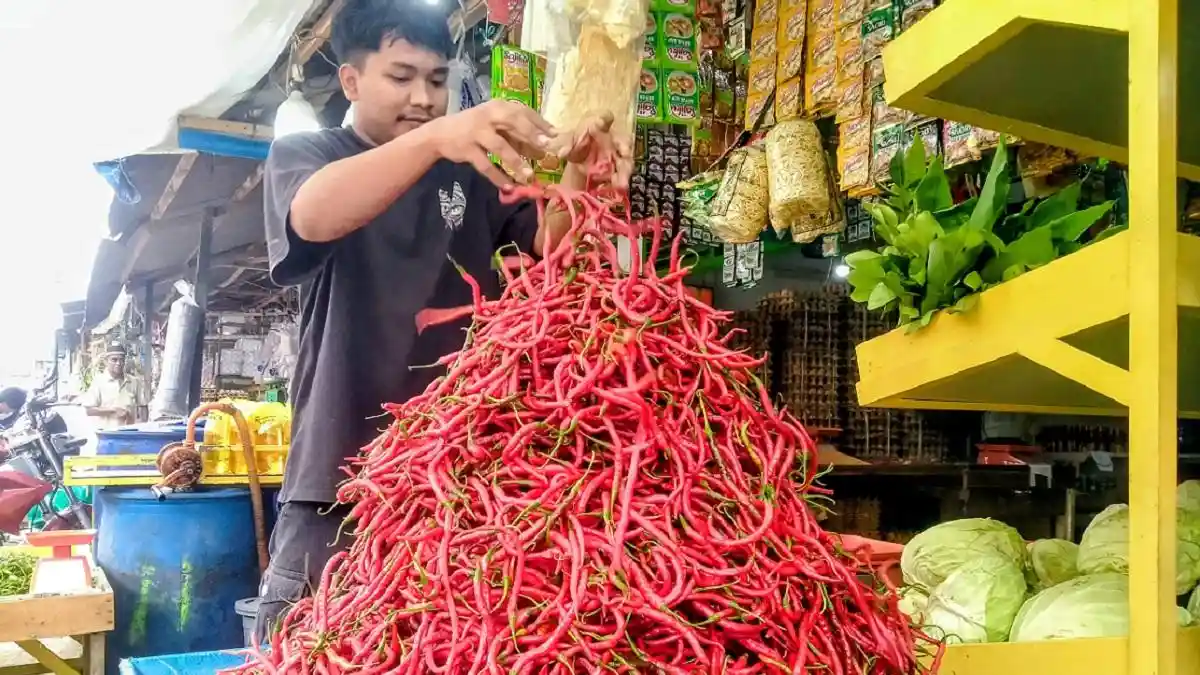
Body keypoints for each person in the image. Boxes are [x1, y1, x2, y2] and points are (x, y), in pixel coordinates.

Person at [255, 0, 632, 636]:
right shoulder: (309, 154)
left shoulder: (468, 171)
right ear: (351, 81)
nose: (425, 98)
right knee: (315, 649)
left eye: (437, 80)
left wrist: (580, 169)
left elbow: (555, 244)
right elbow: (312, 217)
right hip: (339, 484)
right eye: (400, 78)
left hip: (456, 483)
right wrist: (436, 140)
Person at [80, 343, 146, 430]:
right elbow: (89, 411)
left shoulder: (134, 382)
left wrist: (143, 426)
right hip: (107, 435)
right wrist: (113, 411)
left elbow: (143, 407)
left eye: (121, 360)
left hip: (130, 435)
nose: (118, 363)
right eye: (114, 360)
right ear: (106, 361)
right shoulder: (99, 382)